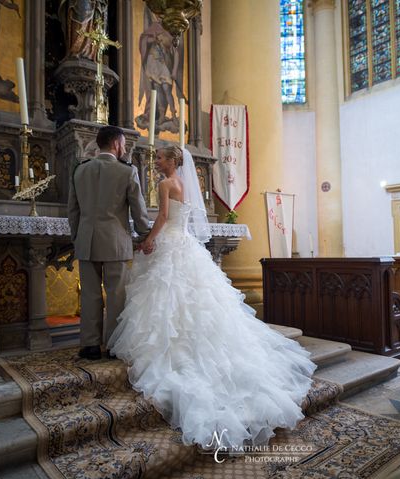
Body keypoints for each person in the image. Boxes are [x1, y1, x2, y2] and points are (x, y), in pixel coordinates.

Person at [108, 146, 315, 449]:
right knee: (188, 302)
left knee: (169, 301)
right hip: (185, 244)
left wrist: (148, 240)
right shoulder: (184, 185)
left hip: (169, 243)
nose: (157, 162)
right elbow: (180, 217)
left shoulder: (166, 184)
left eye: (161, 158)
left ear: (173, 162)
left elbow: (164, 216)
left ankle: (172, 350)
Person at [67, 126, 150, 360]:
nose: (124, 148)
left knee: (90, 294)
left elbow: (72, 210)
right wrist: (145, 234)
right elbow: (138, 209)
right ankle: (114, 346)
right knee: (116, 295)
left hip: (87, 240)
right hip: (115, 241)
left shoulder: (80, 170)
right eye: (123, 144)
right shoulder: (127, 171)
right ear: (115, 144)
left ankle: (90, 346)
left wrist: (77, 236)